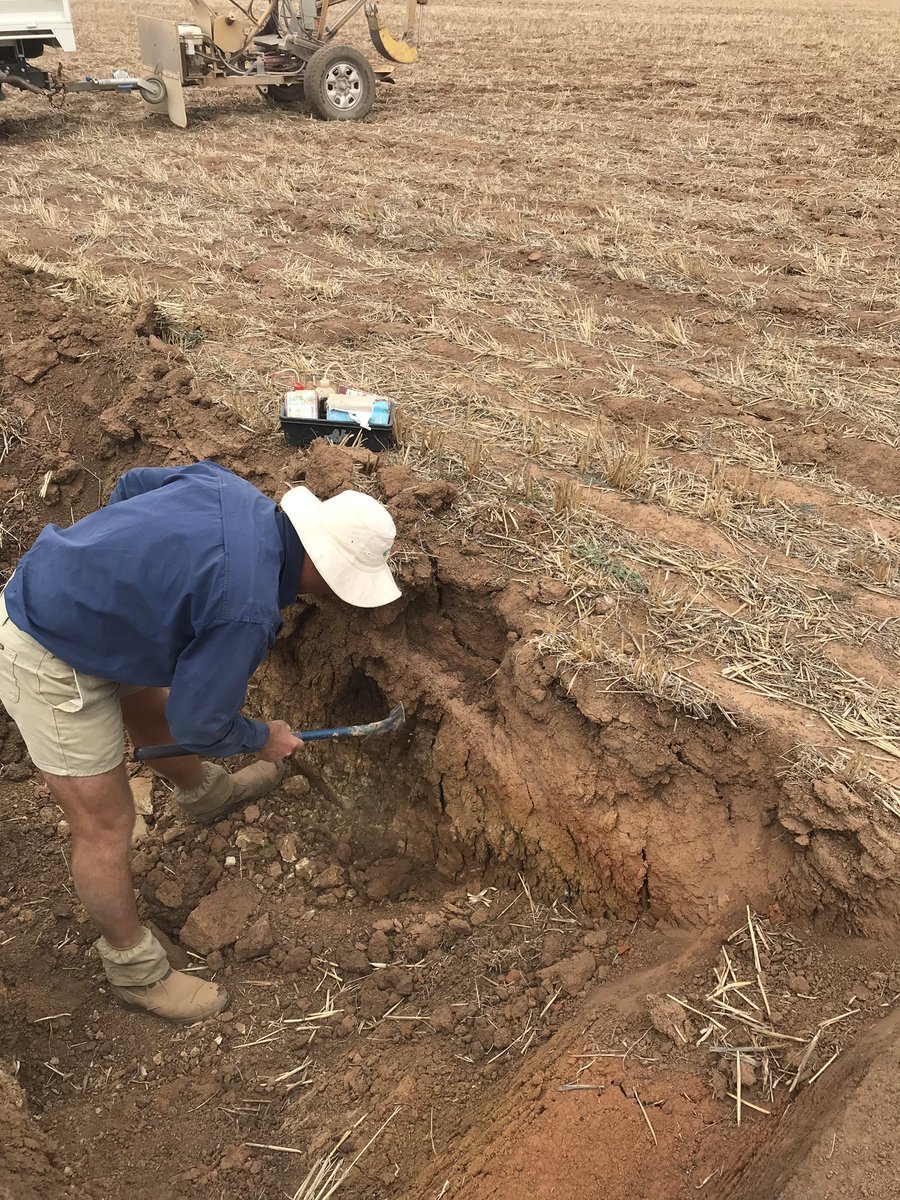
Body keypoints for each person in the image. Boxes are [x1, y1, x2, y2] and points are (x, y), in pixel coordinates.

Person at [0, 461, 401, 1024]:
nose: (333, 596)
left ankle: (206, 796)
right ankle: (134, 971)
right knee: (105, 825)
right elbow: (199, 724)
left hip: (87, 609)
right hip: (46, 645)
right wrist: (264, 737)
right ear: (320, 565)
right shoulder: (247, 608)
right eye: (339, 583)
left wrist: (124, 575)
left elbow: (133, 483)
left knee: (149, 705)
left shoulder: (229, 489)